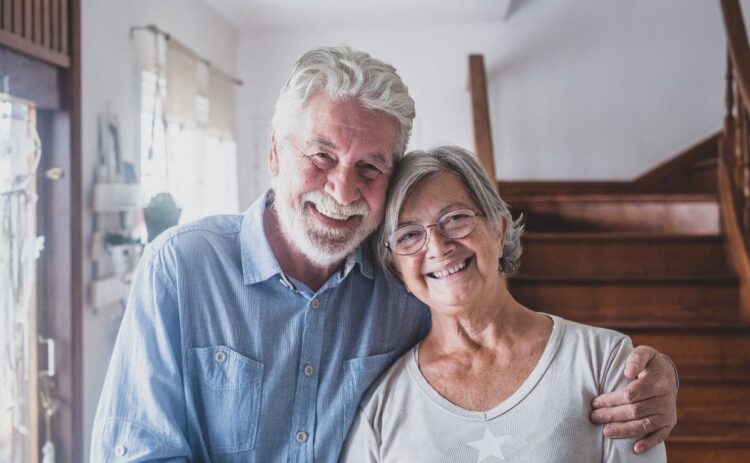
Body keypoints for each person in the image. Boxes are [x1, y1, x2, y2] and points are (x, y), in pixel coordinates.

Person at [91, 46, 677, 462]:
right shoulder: (182, 269)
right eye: (321, 156)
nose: (342, 189)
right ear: (274, 153)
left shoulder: (403, 280)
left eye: (369, 167)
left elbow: (509, 341)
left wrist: (659, 378)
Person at [340, 146, 668, 462]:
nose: (438, 247)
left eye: (454, 219)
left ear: (499, 230)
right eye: (408, 235)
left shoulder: (603, 362)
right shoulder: (382, 406)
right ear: (396, 268)